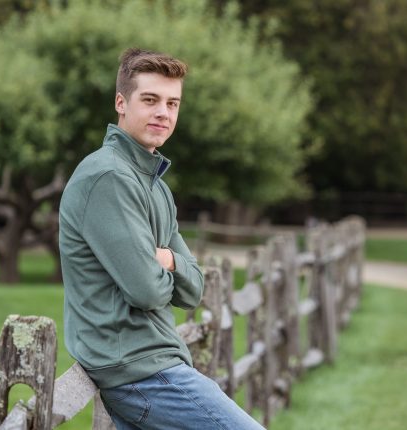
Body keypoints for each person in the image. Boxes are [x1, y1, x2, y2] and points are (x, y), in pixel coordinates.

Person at [59, 48, 265, 430]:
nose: (163, 113)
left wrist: (168, 259)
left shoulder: (154, 185)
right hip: (138, 370)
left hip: (152, 363)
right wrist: (171, 268)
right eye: (150, 100)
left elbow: (193, 289)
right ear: (121, 102)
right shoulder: (108, 178)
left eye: (173, 103)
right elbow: (147, 291)